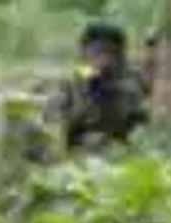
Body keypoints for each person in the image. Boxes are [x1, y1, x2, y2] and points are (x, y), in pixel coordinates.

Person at [49, 22, 150, 151]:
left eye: (111, 52)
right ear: (84, 52)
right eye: (98, 52)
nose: (104, 59)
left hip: (123, 146)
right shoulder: (74, 80)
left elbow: (140, 118)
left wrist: (110, 90)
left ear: (120, 55)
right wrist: (89, 91)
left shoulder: (133, 78)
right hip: (82, 146)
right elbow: (54, 120)